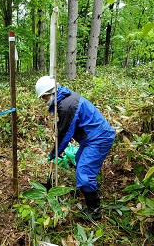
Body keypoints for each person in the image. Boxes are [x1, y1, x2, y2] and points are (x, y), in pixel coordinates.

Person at [35, 76, 116, 220]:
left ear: (53, 92)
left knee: (84, 172)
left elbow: (65, 133)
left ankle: (94, 211)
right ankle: (85, 189)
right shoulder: (66, 97)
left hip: (99, 138)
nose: (45, 101)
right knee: (79, 159)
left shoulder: (67, 106)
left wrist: (55, 152)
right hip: (91, 137)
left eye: (45, 97)